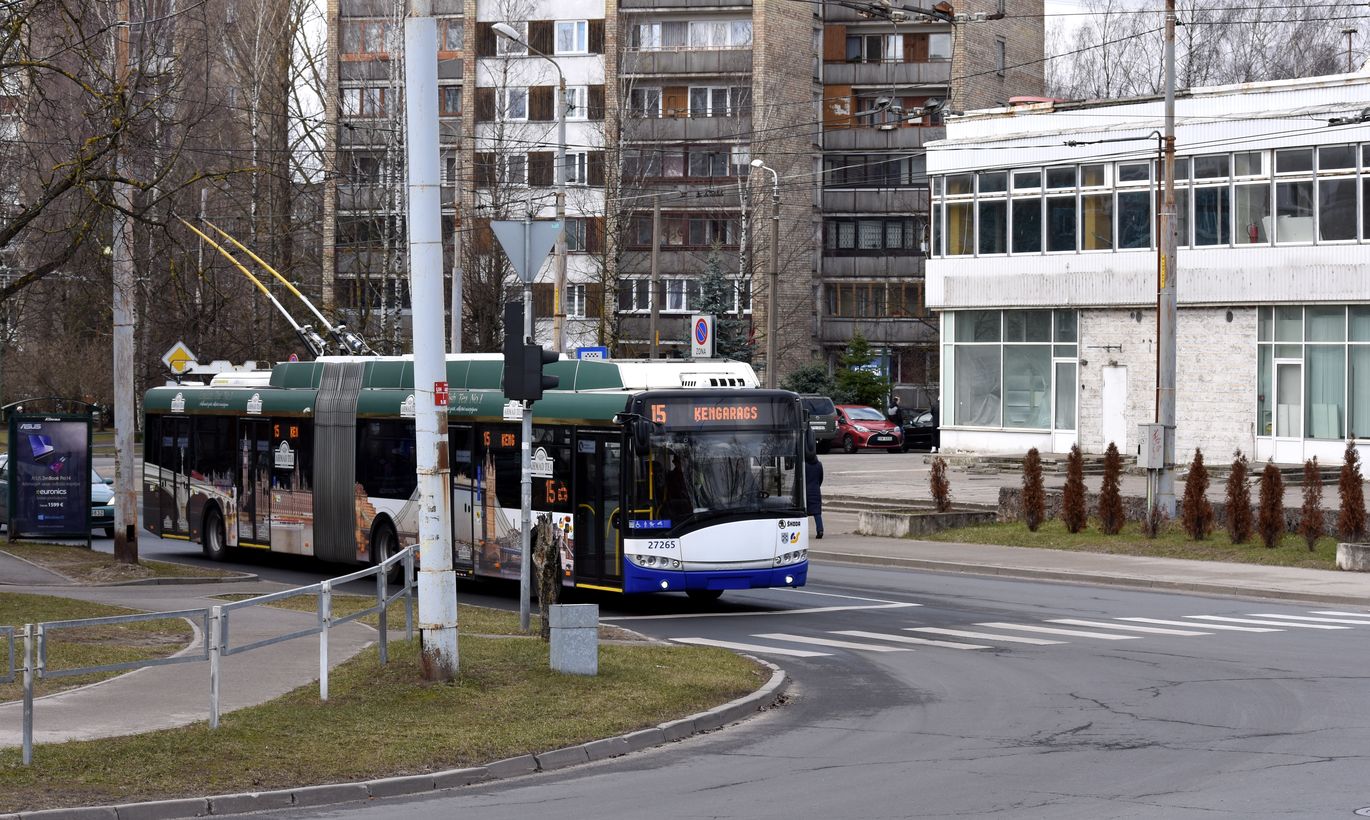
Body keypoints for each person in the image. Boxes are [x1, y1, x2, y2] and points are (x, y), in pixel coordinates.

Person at [805, 451, 824, 539]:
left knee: (803, 513)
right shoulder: (819, 464)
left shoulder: (804, 465)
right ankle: (820, 530)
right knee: (817, 513)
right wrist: (817, 485)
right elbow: (821, 478)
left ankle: (803, 531)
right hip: (816, 490)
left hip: (806, 491)